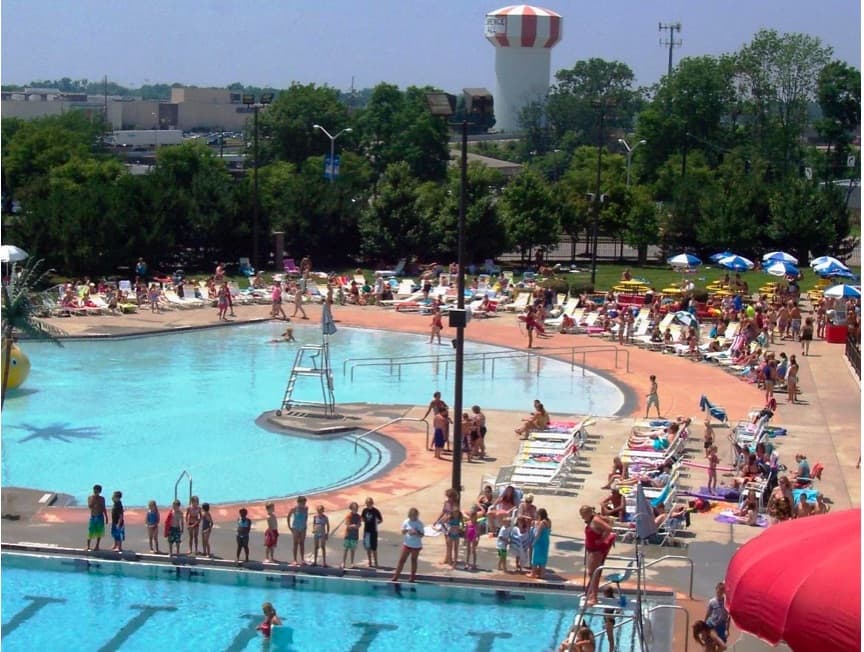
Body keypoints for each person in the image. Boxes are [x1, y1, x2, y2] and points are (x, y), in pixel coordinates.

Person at [580, 505, 616, 604]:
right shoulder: (593, 519)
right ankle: (592, 594)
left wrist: (602, 539)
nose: (582, 518)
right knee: (592, 573)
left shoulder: (595, 520)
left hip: (596, 551)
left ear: (587, 513)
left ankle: (594, 597)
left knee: (594, 573)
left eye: (583, 515)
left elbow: (608, 529)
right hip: (592, 550)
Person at [391, 507, 424, 583]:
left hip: (416, 545)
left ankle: (412, 577)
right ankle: (396, 576)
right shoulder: (406, 521)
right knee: (402, 560)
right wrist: (407, 530)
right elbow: (402, 531)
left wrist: (416, 532)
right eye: (412, 516)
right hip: (407, 544)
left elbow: (422, 535)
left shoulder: (419, 523)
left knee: (413, 560)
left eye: (415, 516)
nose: (413, 517)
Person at [361, 497, 383, 568]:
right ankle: (370, 562)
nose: (368, 505)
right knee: (368, 547)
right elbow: (362, 518)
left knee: (374, 548)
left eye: (370, 503)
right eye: (367, 503)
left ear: (372, 503)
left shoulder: (375, 511)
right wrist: (363, 520)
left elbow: (380, 519)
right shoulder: (364, 510)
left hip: (373, 531)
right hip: (367, 531)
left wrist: (376, 523)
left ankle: (376, 563)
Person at [287, 496, 309, 566]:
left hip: (303, 528)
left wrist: (305, 524)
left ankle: (302, 559)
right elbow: (288, 516)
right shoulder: (294, 509)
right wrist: (290, 527)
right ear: (299, 502)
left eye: (305, 503)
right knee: (295, 543)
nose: (304, 504)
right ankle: (294, 560)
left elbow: (306, 516)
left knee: (302, 543)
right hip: (296, 528)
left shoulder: (306, 508)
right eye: (303, 503)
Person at [530, 508, 551, 579]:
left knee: (535, 557)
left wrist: (533, 543)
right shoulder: (548, 521)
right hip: (546, 542)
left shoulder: (542, 523)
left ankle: (533, 573)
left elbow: (538, 534)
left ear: (539, 514)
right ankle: (542, 574)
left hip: (539, 542)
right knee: (543, 558)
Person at [86, 484, 108, 551]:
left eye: (97, 491)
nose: (95, 492)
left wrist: (106, 517)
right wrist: (94, 501)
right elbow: (90, 507)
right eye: (95, 491)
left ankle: (97, 545)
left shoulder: (102, 499)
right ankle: (88, 546)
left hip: (100, 516)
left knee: (99, 532)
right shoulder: (90, 498)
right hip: (93, 517)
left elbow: (104, 508)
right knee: (90, 531)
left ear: (99, 492)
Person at [341, 501, 361, 569]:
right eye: (354, 508)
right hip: (348, 535)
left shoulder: (358, 516)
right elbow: (348, 525)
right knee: (346, 549)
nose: (356, 509)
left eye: (356, 508)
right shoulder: (348, 515)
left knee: (353, 550)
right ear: (351, 508)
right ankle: (343, 562)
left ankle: (352, 563)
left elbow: (359, 525)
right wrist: (354, 526)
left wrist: (354, 526)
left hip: (355, 535)